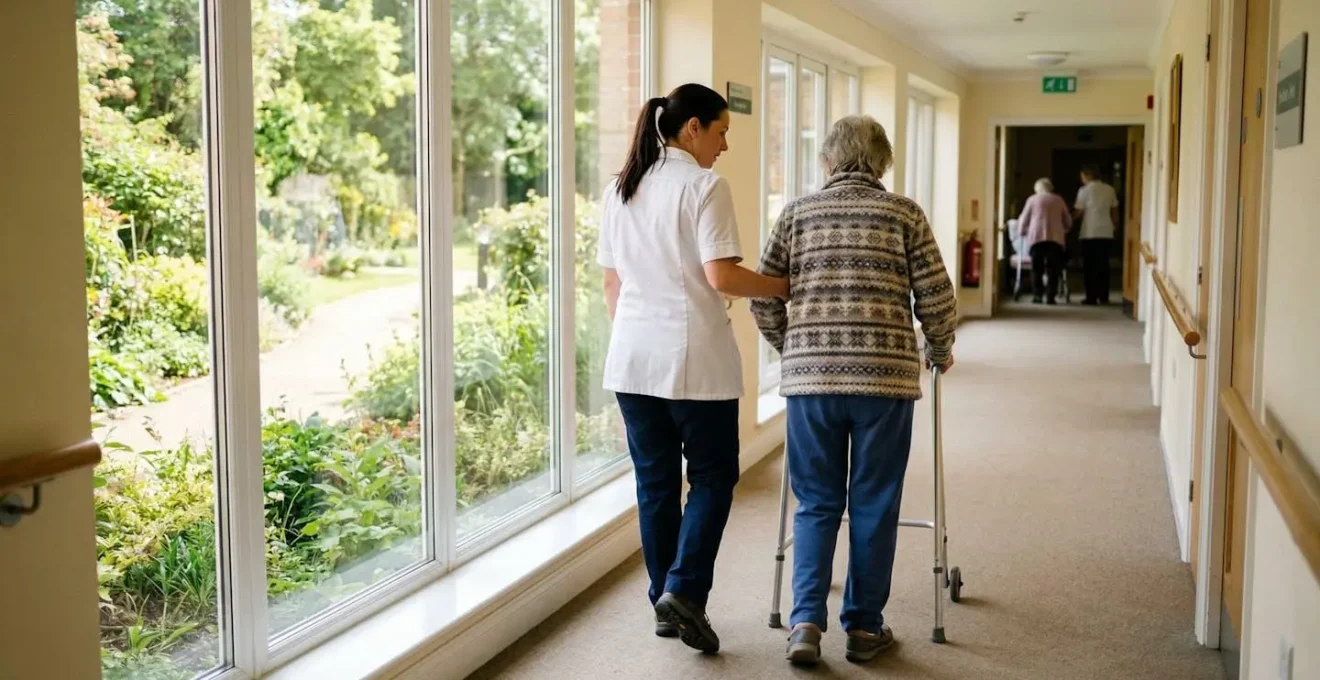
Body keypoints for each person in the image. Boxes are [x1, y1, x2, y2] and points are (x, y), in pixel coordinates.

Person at [751, 115, 957, 666]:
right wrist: (939, 350)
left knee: (816, 502)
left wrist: (792, 349)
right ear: (883, 162)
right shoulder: (903, 213)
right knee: (874, 502)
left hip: (811, 382)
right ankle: (864, 628)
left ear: (827, 160)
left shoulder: (797, 213)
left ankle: (804, 624)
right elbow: (936, 296)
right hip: (885, 379)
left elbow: (764, 295)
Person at [597, 83, 789, 654]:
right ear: (692, 129)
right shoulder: (705, 185)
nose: (726, 144)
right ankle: (682, 590)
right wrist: (781, 285)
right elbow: (723, 277)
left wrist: (638, 335)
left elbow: (612, 283)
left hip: (631, 359)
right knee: (711, 478)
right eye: (722, 130)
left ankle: (664, 599)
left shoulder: (620, 187)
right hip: (693, 361)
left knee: (655, 485)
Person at [1017, 177, 1073, 304]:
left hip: (1036, 238)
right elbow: (1067, 219)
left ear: (1037, 188)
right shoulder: (1058, 199)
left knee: (1037, 268)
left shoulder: (1032, 199)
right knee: (1053, 269)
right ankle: (1050, 297)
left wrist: (1021, 231)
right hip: (1055, 239)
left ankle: (1037, 295)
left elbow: (1024, 218)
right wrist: (1066, 228)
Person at [1073, 165, 1120, 305]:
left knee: (1089, 266)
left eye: (1082, 176)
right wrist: (1115, 225)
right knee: (1103, 265)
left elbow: (1079, 211)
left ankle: (1091, 297)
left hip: (1090, 232)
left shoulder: (1084, 191)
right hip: (1106, 231)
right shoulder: (1109, 189)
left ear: (1087, 176)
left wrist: (1068, 221)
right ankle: (1103, 296)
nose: (1081, 179)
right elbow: (1115, 210)